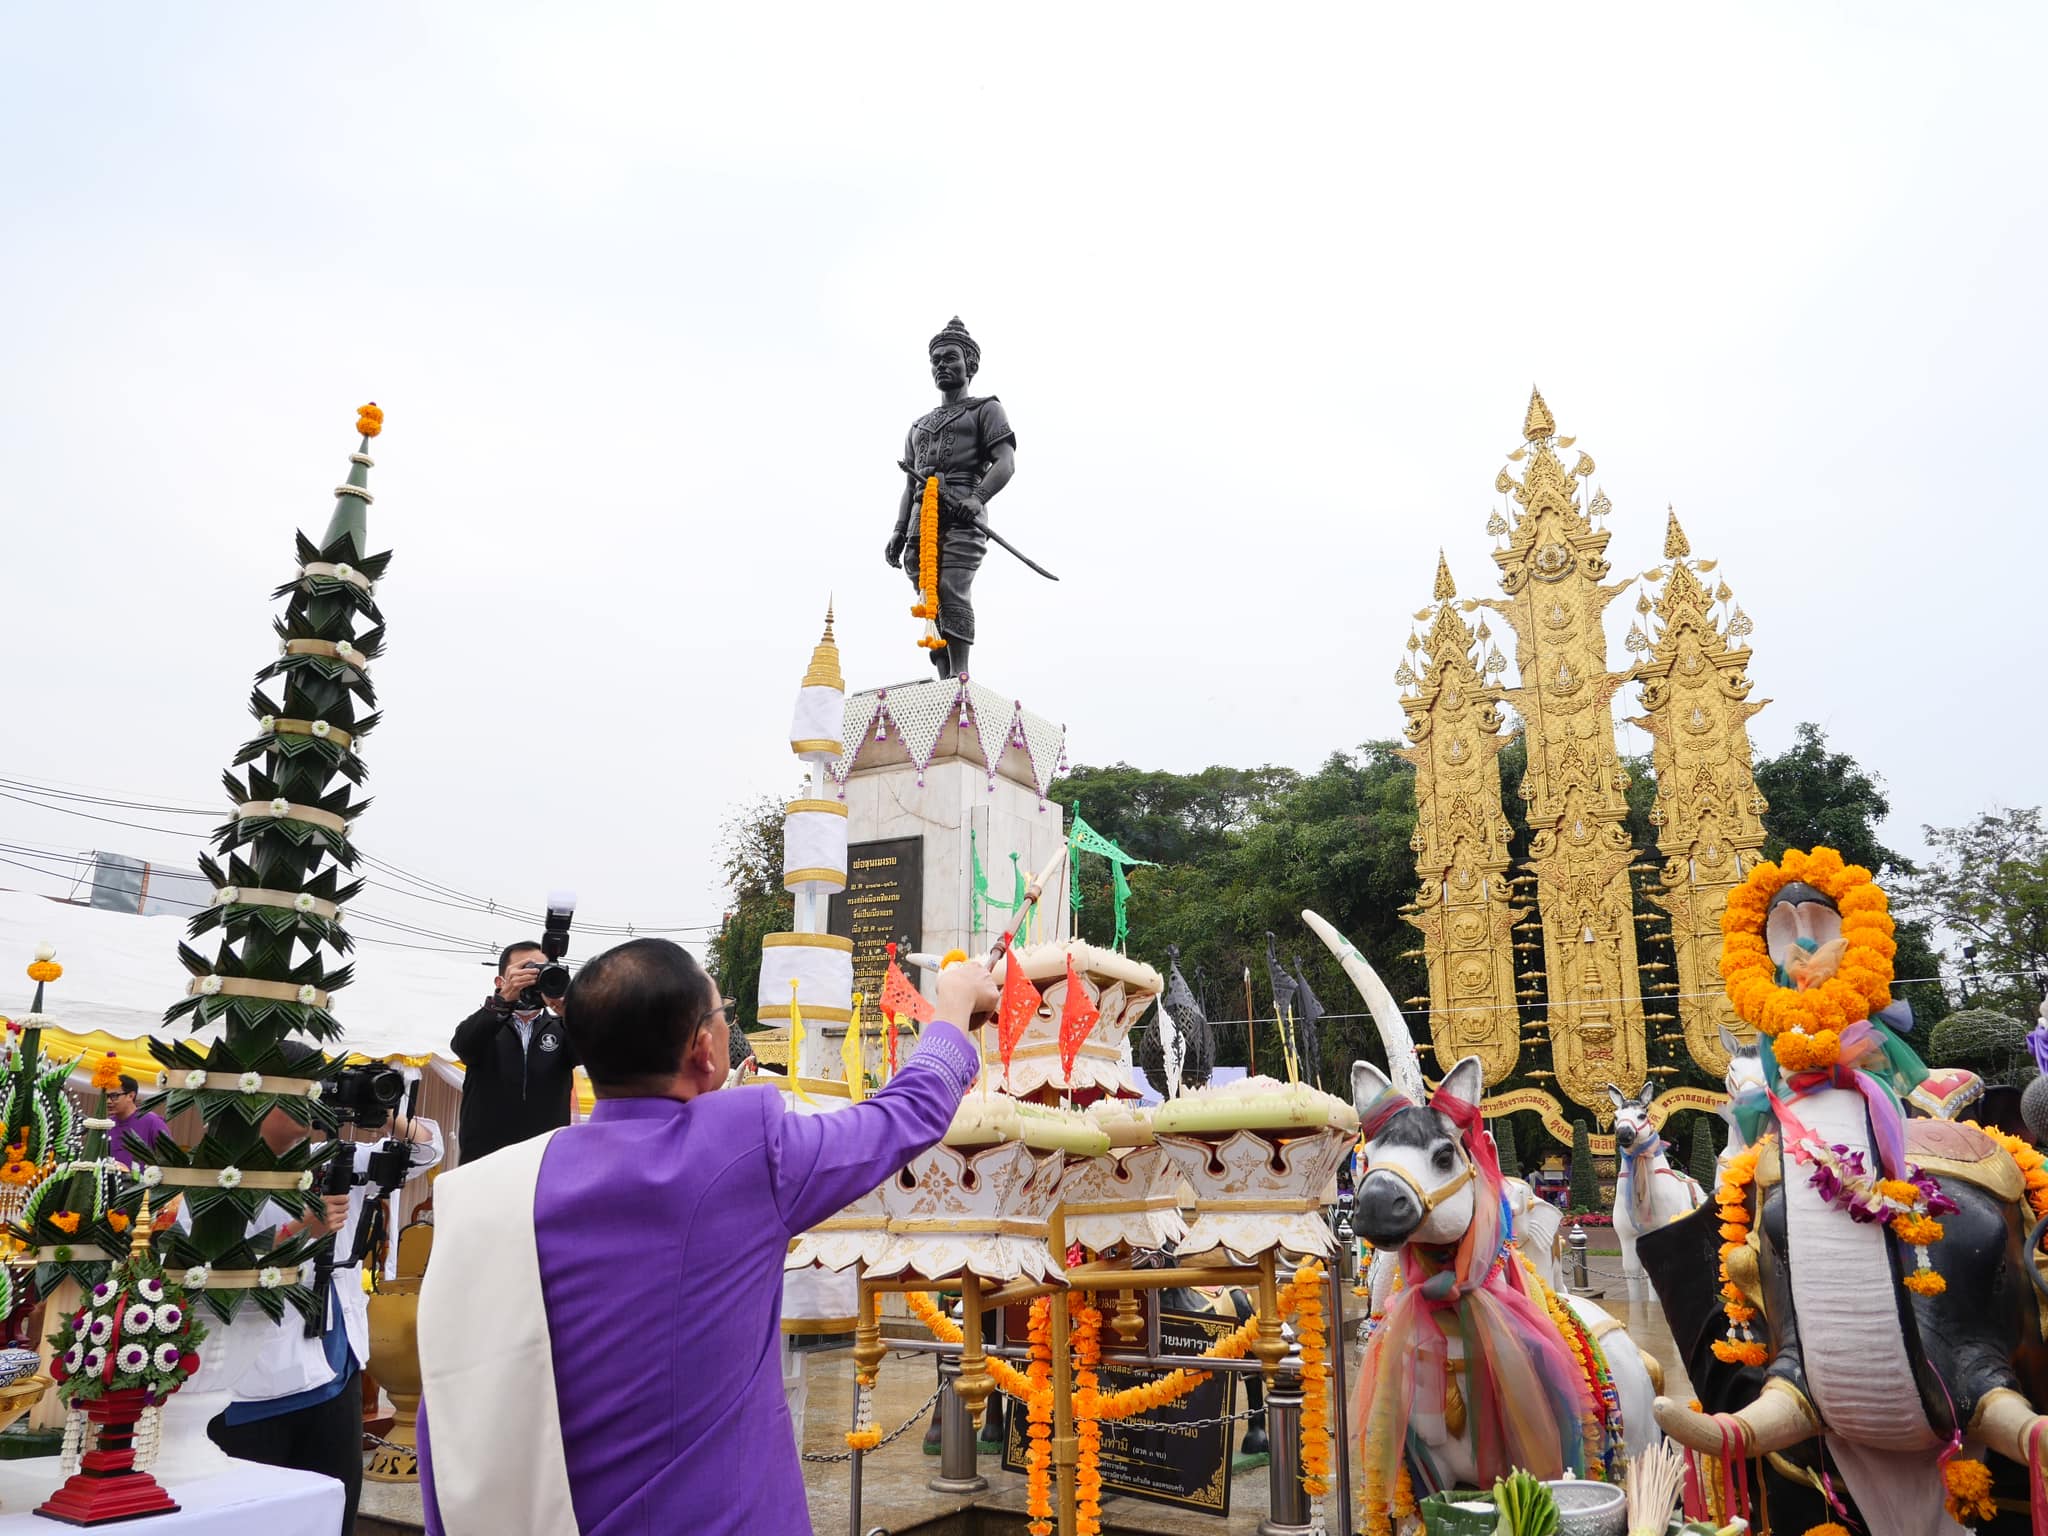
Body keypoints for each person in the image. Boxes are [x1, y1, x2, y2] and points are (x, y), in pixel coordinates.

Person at [415, 938, 996, 1536]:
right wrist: (953, 1005)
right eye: (721, 1015)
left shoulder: (495, 1191)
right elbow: (905, 1113)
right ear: (704, 1049)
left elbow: (449, 1420)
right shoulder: (742, 1153)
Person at [204, 1099, 443, 1530]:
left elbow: (426, 1150)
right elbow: (207, 1269)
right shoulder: (218, 1174)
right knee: (260, 1521)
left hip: (336, 1373)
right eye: (291, 1094)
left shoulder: (334, 1160)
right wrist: (299, 1232)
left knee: (333, 1513)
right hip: (257, 1390)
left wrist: (380, 1109)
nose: (306, 1103)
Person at [883, 316, 1017, 680]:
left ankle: (960, 676)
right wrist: (898, 529)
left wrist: (978, 497)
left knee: (950, 587)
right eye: (935, 360)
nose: (941, 365)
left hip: (961, 510)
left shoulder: (986, 409)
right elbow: (909, 484)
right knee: (928, 596)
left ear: (969, 365)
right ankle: (942, 676)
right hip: (920, 518)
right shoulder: (918, 426)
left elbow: (1005, 462)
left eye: (950, 358)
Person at [451, 940, 578, 1163]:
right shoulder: (487, 1024)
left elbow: (597, 1055)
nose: (532, 979)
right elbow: (463, 1047)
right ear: (500, 981)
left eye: (540, 972)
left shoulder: (562, 1028)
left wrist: (569, 1010)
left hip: (544, 1158)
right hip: (485, 1159)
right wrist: (503, 1000)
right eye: (525, 971)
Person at [107, 1075, 172, 1169]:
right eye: (106, 1096)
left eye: (114, 1096)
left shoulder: (152, 1121)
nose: (108, 1101)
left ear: (131, 1096)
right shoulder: (107, 1124)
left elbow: (169, 1158)